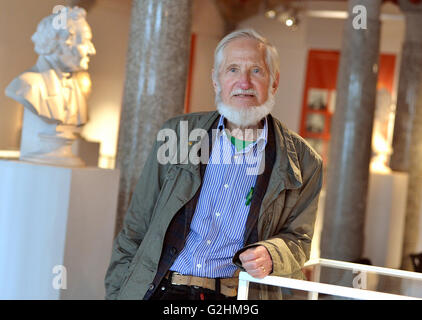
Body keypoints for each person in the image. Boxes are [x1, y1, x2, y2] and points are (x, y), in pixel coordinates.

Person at [105, 29, 323, 300]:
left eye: (256, 71)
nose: (244, 82)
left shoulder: (304, 162)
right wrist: (117, 294)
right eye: (232, 70)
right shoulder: (177, 135)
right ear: (216, 80)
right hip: (160, 289)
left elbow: (299, 241)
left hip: (237, 295)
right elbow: (136, 227)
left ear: (274, 82)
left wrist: (272, 254)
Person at [5, 6, 96, 126]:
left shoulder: (79, 88)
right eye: (84, 42)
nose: (92, 50)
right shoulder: (26, 85)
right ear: (60, 43)